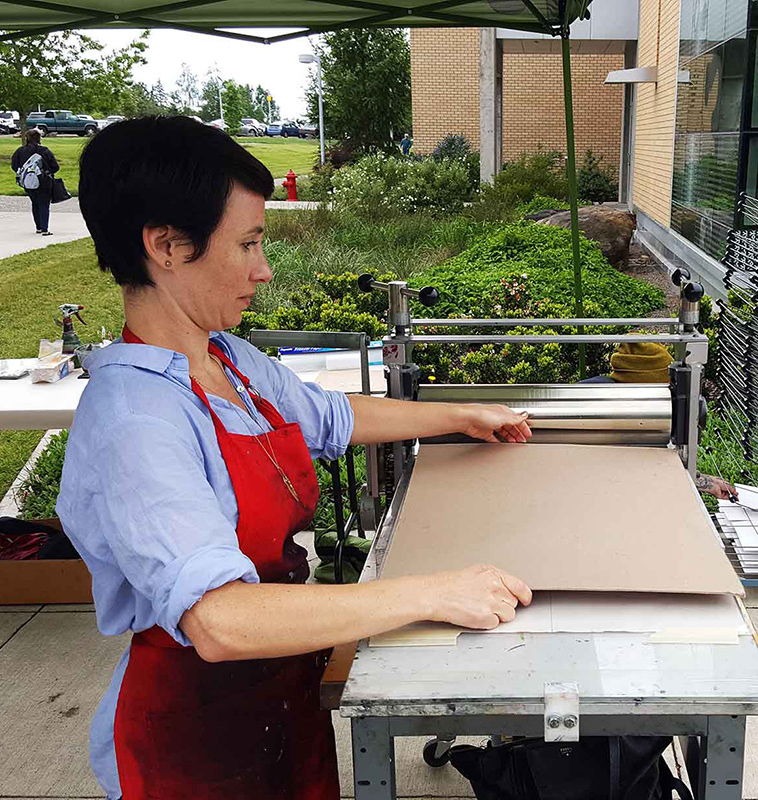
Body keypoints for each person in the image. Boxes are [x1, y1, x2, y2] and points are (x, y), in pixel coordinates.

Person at [55, 116, 533, 800]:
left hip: (278, 695)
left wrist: (462, 416)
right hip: (194, 739)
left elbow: (335, 416)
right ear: (165, 245)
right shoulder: (137, 421)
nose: (264, 268)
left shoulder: (227, 361)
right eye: (247, 243)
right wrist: (431, 592)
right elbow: (219, 621)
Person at [580, 341, 737, 500]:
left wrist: (698, 478)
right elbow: (636, 468)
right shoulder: (606, 409)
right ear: (647, 387)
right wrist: (698, 480)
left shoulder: (624, 399)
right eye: (667, 388)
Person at [10, 128, 59, 236]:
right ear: (39, 138)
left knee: (35, 203)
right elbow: (55, 167)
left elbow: (14, 166)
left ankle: (38, 227)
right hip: (44, 182)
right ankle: (45, 228)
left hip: (27, 182)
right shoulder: (44, 150)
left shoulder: (20, 151)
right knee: (44, 204)